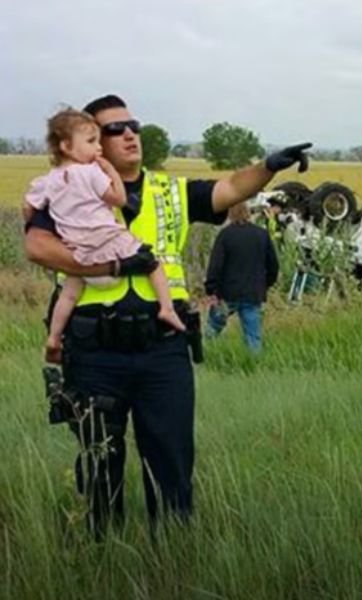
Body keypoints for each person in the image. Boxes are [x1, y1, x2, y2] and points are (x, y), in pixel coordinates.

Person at [24, 94, 311, 534]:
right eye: (115, 129)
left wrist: (269, 166)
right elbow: (38, 246)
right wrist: (113, 266)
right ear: (90, 142)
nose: (130, 134)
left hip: (163, 348)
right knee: (100, 461)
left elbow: (231, 188)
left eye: (133, 125)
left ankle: (173, 553)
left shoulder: (169, 191)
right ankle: (101, 552)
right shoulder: (68, 187)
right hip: (94, 348)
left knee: (172, 462)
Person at [24, 108, 185, 364]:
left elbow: (29, 207)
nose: (98, 148)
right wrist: (110, 171)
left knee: (68, 295)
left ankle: (54, 338)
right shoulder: (91, 173)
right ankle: (167, 309)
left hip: (81, 254)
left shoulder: (48, 181)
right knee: (152, 263)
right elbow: (118, 199)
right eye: (91, 142)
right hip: (108, 243)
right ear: (67, 146)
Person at [204, 202, 280, 352]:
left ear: (230, 214)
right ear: (248, 213)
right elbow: (273, 265)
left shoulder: (225, 235)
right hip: (252, 293)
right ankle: (253, 367)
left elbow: (215, 266)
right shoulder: (262, 235)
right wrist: (265, 284)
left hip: (226, 293)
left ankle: (204, 357)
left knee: (212, 329)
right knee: (253, 336)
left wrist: (211, 290)